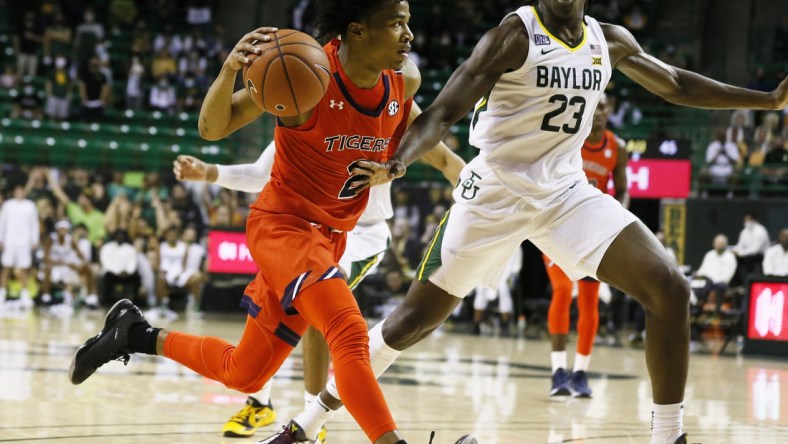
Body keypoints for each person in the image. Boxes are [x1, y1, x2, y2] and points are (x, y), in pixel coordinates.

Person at [279, 2, 788, 444]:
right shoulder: (511, 38)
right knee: (410, 323)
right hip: (494, 195)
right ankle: (307, 421)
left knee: (670, 287)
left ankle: (668, 434)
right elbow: (440, 112)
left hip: (565, 194)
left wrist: (767, 100)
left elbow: (676, 84)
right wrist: (397, 162)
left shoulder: (610, 40)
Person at [68, 1, 475, 443]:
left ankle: (134, 334)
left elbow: (408, 125)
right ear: (357, 31)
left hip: (332, 237)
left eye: (408, 22)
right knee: (348, 332)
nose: (409, 34)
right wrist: (228, 72)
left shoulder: (404, 79)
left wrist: (434, 167)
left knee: (243, 373)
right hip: (285, 228)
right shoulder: (307, 72)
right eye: (397, 24)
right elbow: (213, 127)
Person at [172, 125, 461, 438]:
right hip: (306, 229)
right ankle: (260, 403)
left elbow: (443, 154)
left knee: (320, 311)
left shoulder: (392, 102)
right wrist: (209, 172)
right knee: (268, 302)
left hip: (360, 234)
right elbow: (261, 172)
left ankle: (312, 418)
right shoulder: (310, 105)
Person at [544, 93, 629, 398]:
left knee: (590, 302)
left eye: (606, 107)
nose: (601, 111)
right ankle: (558, 371)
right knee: (563, 291)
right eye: (598, 106)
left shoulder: (617, 147)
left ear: (610, 111)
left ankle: (580, 372)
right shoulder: (570, 141)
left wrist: (612, 214)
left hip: (592, 230)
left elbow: (623, 191)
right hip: (558, 226)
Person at [0, 185, 39, 308]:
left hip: (24, 242)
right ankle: (2, 294)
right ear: (14, 192)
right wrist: (1, 239)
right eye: (17, 191)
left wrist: (35, 239)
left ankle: (24, 295)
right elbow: (2, 222)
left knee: (24, 269)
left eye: (21, 190)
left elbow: (34, 223)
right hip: (9, 241)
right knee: (6, 267)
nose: (19, 193)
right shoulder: (7, 205)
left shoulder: (30, 205)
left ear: (24, 192)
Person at [693, 234, 737, 313]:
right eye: (717, 243)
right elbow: (702, 269)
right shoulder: (709, 254)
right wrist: (697, 274)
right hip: (707, 280)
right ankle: (695, 306)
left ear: (725, 244)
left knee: (720, 286)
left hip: (719, 283)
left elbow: (727, 276)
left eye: (721, 243)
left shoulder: (730, 257)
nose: (719, 245)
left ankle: (717, 311)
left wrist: (713, 281)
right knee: (694, 284)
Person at [732, 213, 771, 283]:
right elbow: (740, 245)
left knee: (749, 259)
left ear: (754, 220)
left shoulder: (761, 231)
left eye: (749, 220)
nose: (747, 222)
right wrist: (734, 250)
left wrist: (741, 253)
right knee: (733, 259)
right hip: (747, 255)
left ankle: (749, 282)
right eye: (745, 220)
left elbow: (755, 250)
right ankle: (737, 284)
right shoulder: (744, 231)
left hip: (761, 255)